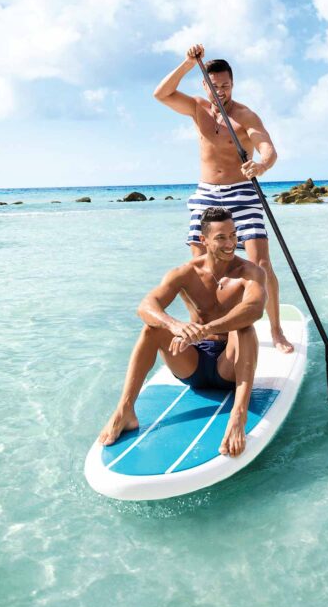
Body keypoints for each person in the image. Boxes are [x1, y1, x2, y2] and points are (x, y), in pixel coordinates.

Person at [153, 43, 293, 354]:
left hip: (242, 191)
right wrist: (188, 63)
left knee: (261, 263)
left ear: (233, 83)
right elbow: (161, 94)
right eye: (215, 86)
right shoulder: (197, 108)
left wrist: (262, 165)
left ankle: (276, 329)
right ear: (205, 85)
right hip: (206, 193)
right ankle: (203, 330)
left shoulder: (245, 115)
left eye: (226, 85)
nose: (221, 91)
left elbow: (268, 147)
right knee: (198, 267)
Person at [98, 207, 266, 458]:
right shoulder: (185, 273)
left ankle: (238, 415)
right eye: (221, 237)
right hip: (193, 364)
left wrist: (207, 328)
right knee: (151, 328)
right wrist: (174, 325)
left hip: (230, 365)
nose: (231, 243)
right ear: (203, 240)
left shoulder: (250, 272)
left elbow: (254, 309)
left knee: (244, 328)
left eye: (233, 235)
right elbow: (146, 306)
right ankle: (125, 410)